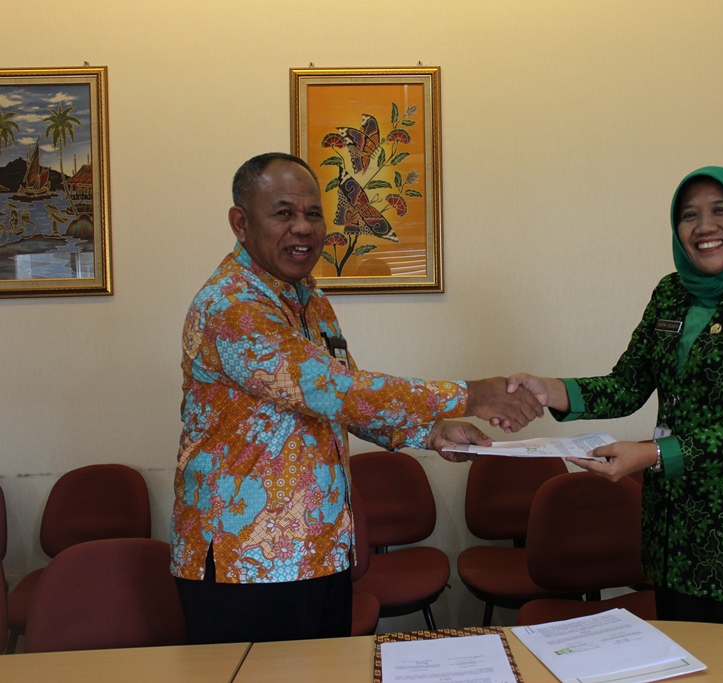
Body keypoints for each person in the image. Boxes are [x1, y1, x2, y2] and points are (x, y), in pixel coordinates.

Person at [171, 152, 543, 644]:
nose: (303, 228)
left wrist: (430, 432)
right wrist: (470, 395)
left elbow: (342, 400)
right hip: (246, 562)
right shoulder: (232, 305)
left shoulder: (310, 300)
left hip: (318, 549)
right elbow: (333, 390)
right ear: (241, 223)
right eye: (283, 213)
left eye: (313, 213)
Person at [506, 166, 723, 632]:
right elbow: (628, 383)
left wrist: (653, 454)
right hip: (673, 534)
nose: (704, 227)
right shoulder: (672, 292)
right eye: (689, 215)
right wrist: (552, 389)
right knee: (682, 660)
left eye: (721, 210)